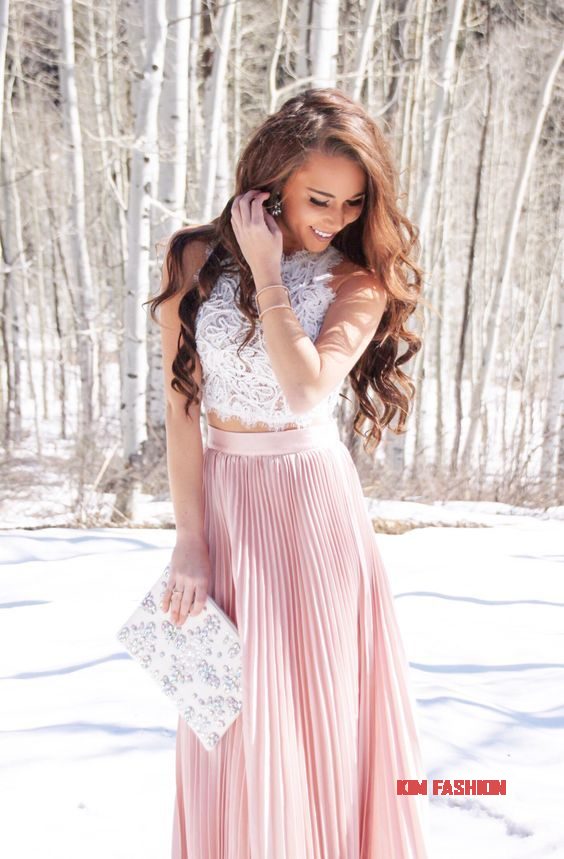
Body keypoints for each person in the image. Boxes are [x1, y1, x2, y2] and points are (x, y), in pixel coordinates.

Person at [147, 87, 430, 859]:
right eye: (318, 198)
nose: (335, 218)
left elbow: (307, 387)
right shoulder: (192, 257)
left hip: (312, 511)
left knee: (314, 717)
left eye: (351, 203)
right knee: (230, 720)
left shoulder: (357, 282)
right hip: (229, 507)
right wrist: (190, 542)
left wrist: (271, 272)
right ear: (272, 179)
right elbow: (182, 411)